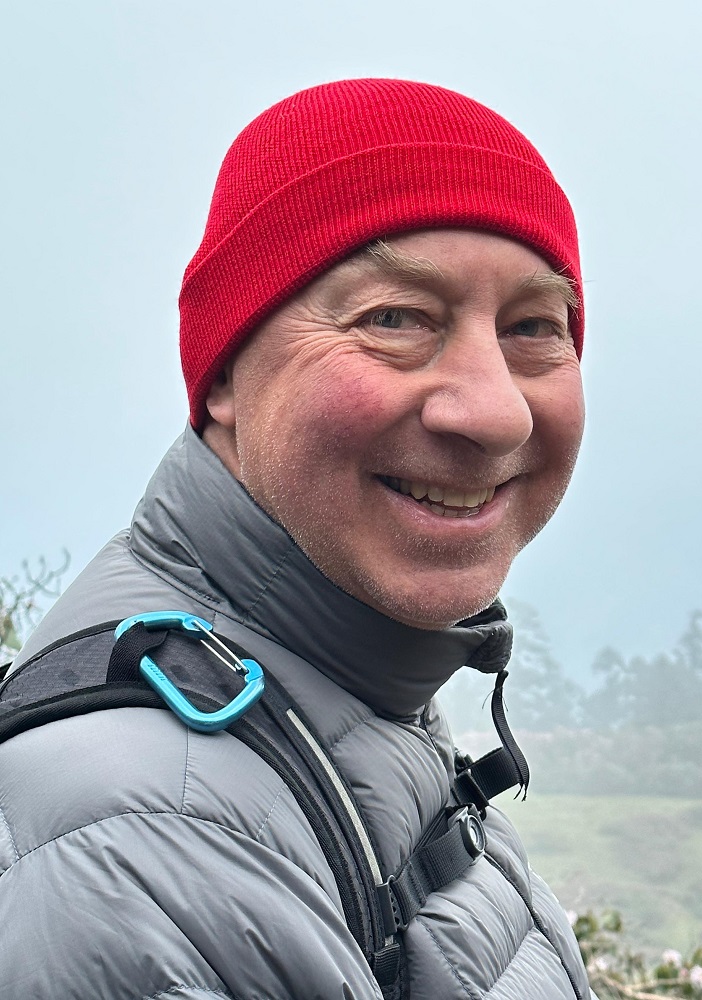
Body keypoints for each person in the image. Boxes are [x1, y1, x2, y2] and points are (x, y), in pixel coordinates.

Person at [0, 78, 589, 999]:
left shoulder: (338, 691)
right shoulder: (150, 834)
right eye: (396, 318)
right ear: (226, 373)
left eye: (533, 328)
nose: (497, 411)